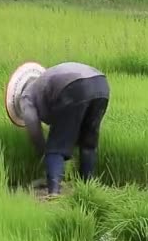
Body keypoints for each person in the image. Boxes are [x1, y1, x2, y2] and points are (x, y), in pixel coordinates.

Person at [18, 62, 110, 196]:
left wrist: (42, 150)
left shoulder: (26, 96)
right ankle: (88, 189)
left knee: (56, 147)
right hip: (101, 85)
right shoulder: (45, 80)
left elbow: (32, 123)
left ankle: (54, 193)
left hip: (74, 87)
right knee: (88, 143)